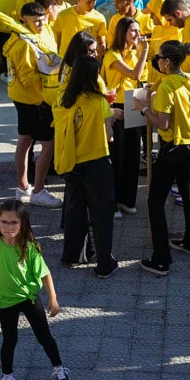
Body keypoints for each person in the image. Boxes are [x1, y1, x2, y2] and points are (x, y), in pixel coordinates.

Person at [0, 199, 69, 380]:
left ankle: (59, 368)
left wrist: (53, 298)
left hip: (29, 299)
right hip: (5, 302)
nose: (8, 226)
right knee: (9, 340)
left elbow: (45, 274)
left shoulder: (29, 247)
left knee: (44, 336)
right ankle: (7, 377)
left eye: (14, 222)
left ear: (23, 224)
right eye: (4, 222)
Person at [138, 40, 190, 276]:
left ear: (167, 62)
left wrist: (145, 110)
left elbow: (164, 123)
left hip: (173, 146)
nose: (156, 61)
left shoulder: (168, 86)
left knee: (155, 203)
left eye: (158, 58)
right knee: (189, 194)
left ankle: (161, 260)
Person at [53, 56, 118, 277]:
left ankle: (72, 254)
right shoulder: (99, 103)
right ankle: (104, 264)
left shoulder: (63, 98)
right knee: (102, 214)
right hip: (96, 162)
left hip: (70, 161)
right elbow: (109, 137)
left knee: (74, 210)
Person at [5, 1, 63, 208]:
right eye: (36, 21)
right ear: (23, 20)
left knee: (25, 140)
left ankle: (22, 187)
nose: (40, 24)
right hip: (35, 99)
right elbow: (28, 79)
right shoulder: (22, 44)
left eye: (42, 19)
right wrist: (52, 70)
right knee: (48, 144)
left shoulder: (44, 29)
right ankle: (38, 190)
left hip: (27, 98)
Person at [104, 17, 148, 215]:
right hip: (118, 102)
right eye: (133, 31)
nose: (137, 35)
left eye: (138, 31)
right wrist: (145, 51)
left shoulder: (134, 51)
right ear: (122, 33)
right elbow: (134, 74)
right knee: (117, 154)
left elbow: (142, 79)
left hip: (135, 98)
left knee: (133, 153)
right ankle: (111, 202)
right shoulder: (112, 55)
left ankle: (127, 199)